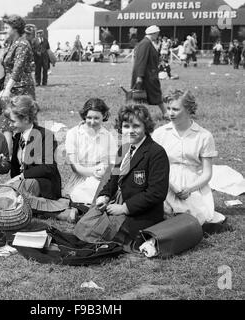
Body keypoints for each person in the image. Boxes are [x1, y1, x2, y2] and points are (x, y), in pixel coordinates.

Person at [74, 105, 169, 249]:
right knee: (81, 227)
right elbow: (114, 179)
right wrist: (105, 195)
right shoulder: (124, 149)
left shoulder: (156, 153)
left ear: (146, 127)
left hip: (139, 213)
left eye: (136, 126)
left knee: (91, 233)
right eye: (126, 126)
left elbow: (157, 193)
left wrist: (125, 208)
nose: (131, 131)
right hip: (115, 203)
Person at [152, 89, 226, 226]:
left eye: (175, 109)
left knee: (197, 217)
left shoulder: (204, 136)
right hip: (165, 180)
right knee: (160, 213)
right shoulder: (159, 134)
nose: (170, 113)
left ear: (188, 109)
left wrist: (189, 189)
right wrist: (169, 185)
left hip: (193, 183)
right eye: (168, 108)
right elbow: (154, 167)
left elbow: (207, 173)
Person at [6, 95, 73, 221]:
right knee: (11, 190)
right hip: (24, 185)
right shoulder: (18, 137)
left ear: (25, 119)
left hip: (44, 184)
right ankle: (54, 211)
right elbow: (17, 166)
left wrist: (21, 176)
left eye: (13, 121)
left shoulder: (45, 135)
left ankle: (57, 210)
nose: (10, 124)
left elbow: (49, 168)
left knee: (16, 191)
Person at [63, 98, 117, 206]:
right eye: (89, 117)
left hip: (102, 179)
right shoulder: (73, 133)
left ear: (104, 116)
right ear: (84, 116)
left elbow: (112, 165)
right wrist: (96, 171)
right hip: (80, 179)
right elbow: (76, 167)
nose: (92, 122)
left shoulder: (108, 136)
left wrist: (104, 172)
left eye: (96, 118)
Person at [0, 15, 36, 157]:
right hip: (11, 87)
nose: (4, 30)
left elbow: (17, 69)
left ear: (15, 29)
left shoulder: (23, 45)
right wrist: (4, 88)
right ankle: (9, 156)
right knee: (6, 123)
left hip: (21, 89)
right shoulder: (13, 43)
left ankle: (24, 155)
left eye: (7, 27)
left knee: (19, 121)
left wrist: (7, 89)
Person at [131, 25, 166, 117]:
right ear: (154, 33)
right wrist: (139, 76)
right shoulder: (145, 43)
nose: (158, 36)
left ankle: (138, 115)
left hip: (148, 73)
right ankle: (165, 113)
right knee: (149, 95)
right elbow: (141, 60)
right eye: (157, 34)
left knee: (147, 96)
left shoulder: (147, 43)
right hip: (146, 75)